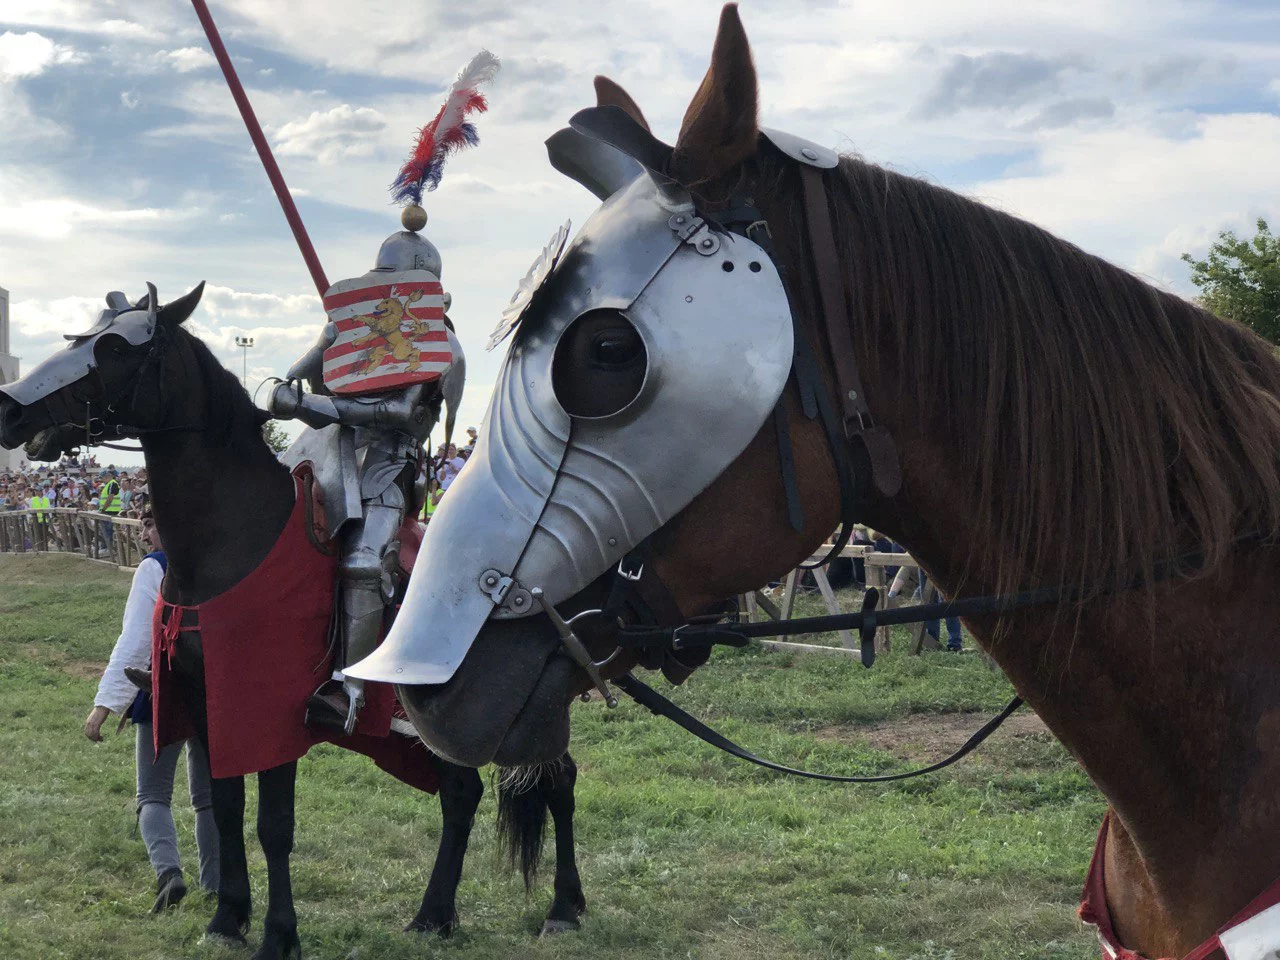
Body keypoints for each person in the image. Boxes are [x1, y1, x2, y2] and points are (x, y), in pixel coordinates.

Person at [268, 202, 461, 735]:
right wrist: (291, 384)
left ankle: (349, 687)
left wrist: (309, 404)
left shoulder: (439, 344)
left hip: (385, 468)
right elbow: (304, 370)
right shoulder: (352, 327)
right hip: (326, 453)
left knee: (361, 563)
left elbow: (400, 413)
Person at [83, 508, 219, 911]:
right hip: (211, 693)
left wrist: (104, 706)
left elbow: (137, 637)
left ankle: (169, 874)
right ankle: (215, 886)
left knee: (153, 795)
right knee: (208, 798)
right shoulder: (218, 561)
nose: (143, 535)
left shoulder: (154, 567)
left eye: (149, 525)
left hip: (165, 692)